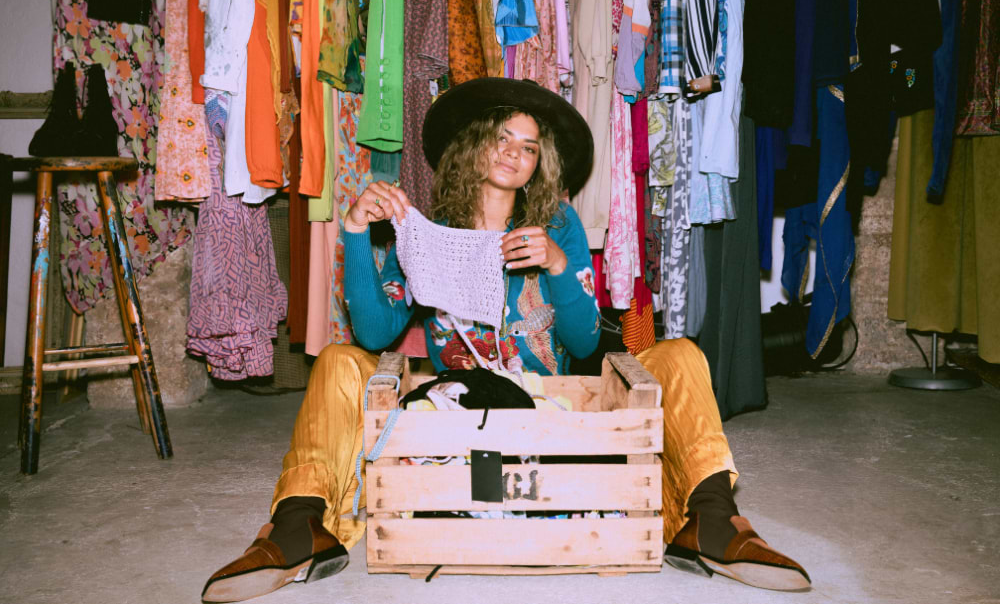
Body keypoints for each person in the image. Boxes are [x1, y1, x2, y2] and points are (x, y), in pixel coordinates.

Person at [202, 78, 810, 602]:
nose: (515, 154)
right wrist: (359, 235)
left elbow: (581, 340)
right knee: (337, 359)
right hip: (462, 415)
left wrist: (554, 266)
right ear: (474, 144)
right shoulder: (428, 230)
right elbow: (376, 333)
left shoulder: (559, 224)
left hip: (556, 408)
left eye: (529, 146)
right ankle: (298, 522)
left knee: (678, 353)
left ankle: (709, 518)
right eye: (503, 138)